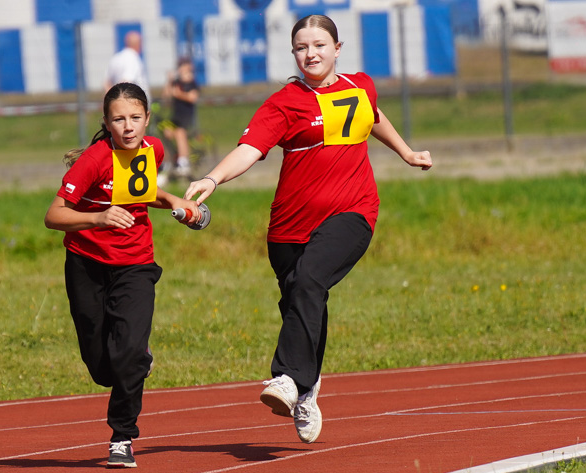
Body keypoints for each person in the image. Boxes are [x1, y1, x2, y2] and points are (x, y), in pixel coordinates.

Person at [183, 14, 432, 444]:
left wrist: (406, 152)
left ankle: (286, 378)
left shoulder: (360, 86)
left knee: (310, 279)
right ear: (293, 54)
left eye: (319, 45)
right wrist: (212, 179)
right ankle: (308, 388)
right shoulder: (284, 103)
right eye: (301, 47)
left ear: (338, 49)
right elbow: (249, 149)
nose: (310, 53)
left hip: (353, 212)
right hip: (289, 228)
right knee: (303, 298)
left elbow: (372, 116)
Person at [45, 82, 200, 468]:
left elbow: (143, 192)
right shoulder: (95, 160)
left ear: (148, 119)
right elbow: (54, 216)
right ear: (107, 123)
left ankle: (122, 437)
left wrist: (174, 202)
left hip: (135, 263)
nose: (128, 126)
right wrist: (98, 216)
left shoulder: (155, 150)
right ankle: (131, 362)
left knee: (128, 354)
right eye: (119, 119)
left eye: (135, 118)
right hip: (87, 264)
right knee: (101, 367)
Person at [161, 57, 200, 178]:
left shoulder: (191, 83)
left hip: (187, 115)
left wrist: (179, 94)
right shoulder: (176, 82)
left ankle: (184, 162)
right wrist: (169, 81)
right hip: (176, 115)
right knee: (166, 133)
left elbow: (193, 97)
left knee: (179, 133)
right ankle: (168, 161)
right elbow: (166, 95)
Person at [104, 31, 150, 100]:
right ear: (138, 43)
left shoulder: (116, 58)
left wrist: (111, 100)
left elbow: (106, 83)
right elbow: (126, 82)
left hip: (118, 105)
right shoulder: (133, 58)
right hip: (134, 104)